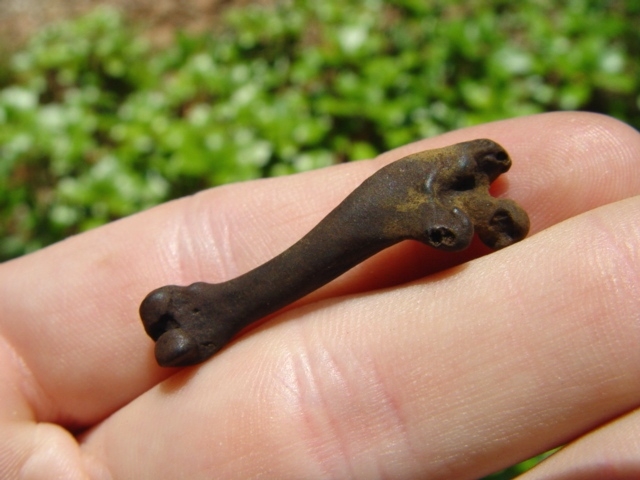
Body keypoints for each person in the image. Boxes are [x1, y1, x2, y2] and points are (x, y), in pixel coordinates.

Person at [1, 112, 639, 479]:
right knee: (301, 264)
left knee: (305, 263)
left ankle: (213, 308)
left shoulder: (433, 190)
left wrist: (442, 223)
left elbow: (434, 223)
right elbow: (426, 218)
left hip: (374, 219)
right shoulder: (427, 182)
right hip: (361, 224)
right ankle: (213, 309)